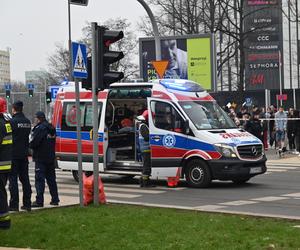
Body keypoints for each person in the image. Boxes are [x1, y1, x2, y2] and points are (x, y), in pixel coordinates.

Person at [29, 111, 59, 207]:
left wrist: (30, 145)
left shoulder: (39, 128)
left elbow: (34, 143)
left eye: (35, 118)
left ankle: (39, 201)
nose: (35, 120)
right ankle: (55, 199)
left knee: (39, 180)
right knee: (51, 180)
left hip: (40, 158)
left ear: (38, 118)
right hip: (50, 158)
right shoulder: (51, 128)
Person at [8, 101, 32, 212]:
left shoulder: (12, 122)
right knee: (25, 179)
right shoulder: (27, 122)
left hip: (13, 154)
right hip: (24, 154)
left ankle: (14, 204)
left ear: (14, 109)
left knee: (13, 180)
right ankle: (27, 204)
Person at [0, 97, 12, 229]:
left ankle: (3, 221)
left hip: (1, 165)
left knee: (0, 194)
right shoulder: (5, 122)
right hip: (5, 164)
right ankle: (4, 219)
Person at [137, 110, 152, 187]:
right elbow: (146, 137)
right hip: (146, 149)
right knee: (146, 166)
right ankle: (145, 183)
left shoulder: (143, 126)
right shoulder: (143, 126)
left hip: (146, 149)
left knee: (147, 166)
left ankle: (144, 181)